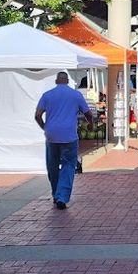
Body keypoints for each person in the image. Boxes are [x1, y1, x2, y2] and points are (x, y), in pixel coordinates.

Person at [35, 72, 92, 209]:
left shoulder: (47, 95)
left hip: (51, 135)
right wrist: (90, 124)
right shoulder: (76, 95)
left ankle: (56, 193)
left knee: (52, 166)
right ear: (67, 81)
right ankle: (62, 196)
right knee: (68, 165)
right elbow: (88, 113)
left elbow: (37, 115)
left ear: (56, 81)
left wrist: (45, 127)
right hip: (69, 135)